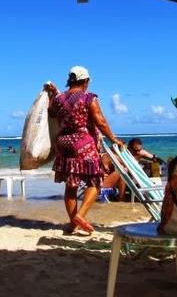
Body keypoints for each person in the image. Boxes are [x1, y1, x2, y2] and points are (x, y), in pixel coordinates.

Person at [46, 66, 125, 234]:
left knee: (71, 186)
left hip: (63, 144)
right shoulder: (89, 98)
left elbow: (52, 113)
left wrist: (54, 93)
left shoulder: (59, 99)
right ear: (86, 81)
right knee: (95, 181)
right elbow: (100, 122)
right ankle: (80, 216)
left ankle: (72, 224)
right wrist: (113, 139)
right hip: (83, 144)